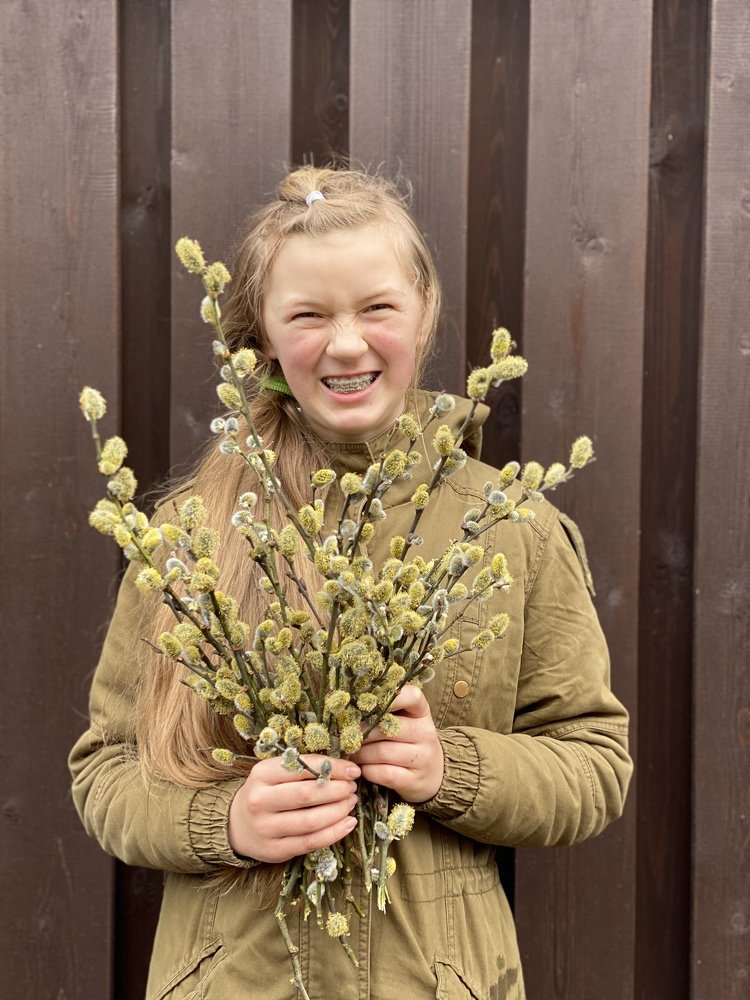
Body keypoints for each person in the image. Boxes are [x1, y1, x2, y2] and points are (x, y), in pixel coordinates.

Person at [69, 165, 633, 1000]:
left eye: (376, 308)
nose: (345, 343)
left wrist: (451, 770)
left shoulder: (512, 527)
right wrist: (224, 823)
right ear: (258, 337)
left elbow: (593, 766)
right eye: (307, 315)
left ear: (423, 309)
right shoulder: (189, 537)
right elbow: (106, 771)